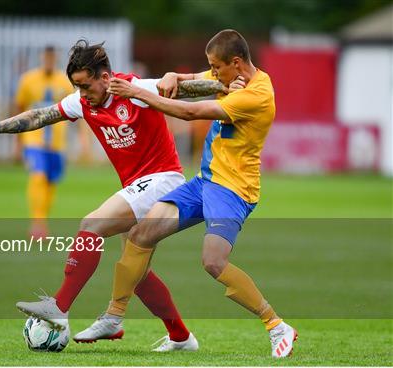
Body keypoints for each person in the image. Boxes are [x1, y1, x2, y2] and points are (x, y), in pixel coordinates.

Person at [0, 39, 227, 351]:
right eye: (77, 87)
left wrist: (228, 85)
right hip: (136, 185)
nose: (82, 94)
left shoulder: (135, 90)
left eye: (86, 85)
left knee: (92, 224)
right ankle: (181, 337)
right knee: (137, 272)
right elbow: (39, 116)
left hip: (164, 179)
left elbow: (190, 90)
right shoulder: (81, 103)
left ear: (105, 78)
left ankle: (59, 307)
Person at [98, 29, 298, 358]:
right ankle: (115, 317)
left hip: (233, 189)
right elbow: (194, 80)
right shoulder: (231, 75)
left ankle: (276, 325)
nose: (213, 73)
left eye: (217, 67)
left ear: (236, 63)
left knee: (213, 262)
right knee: (140, 234)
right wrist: (175, 74)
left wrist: (136, 92)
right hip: (204, 181)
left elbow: (190, 112)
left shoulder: (257, 95)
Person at [14, 46, 75, 237]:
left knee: (50, 182)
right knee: (38, 176)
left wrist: (84, 139)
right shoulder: (27, 80)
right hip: (34, 139)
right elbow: (19, 109)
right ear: (42, 58)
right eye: (46, 57)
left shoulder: (64, 82)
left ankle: (42, 221)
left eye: (52, 58)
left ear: (55, 59)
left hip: (57, 142)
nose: (49, 61)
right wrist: (17, 142)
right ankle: (37, 224)